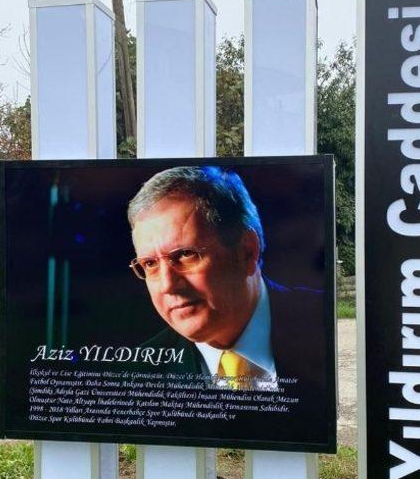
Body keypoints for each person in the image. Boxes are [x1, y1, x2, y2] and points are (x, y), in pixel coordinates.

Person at [127, 165, 316, 391]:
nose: (168, 285)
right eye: (150, 264)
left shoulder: (321, 325)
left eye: (185, 255)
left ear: (246, 252)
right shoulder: (136, 375)